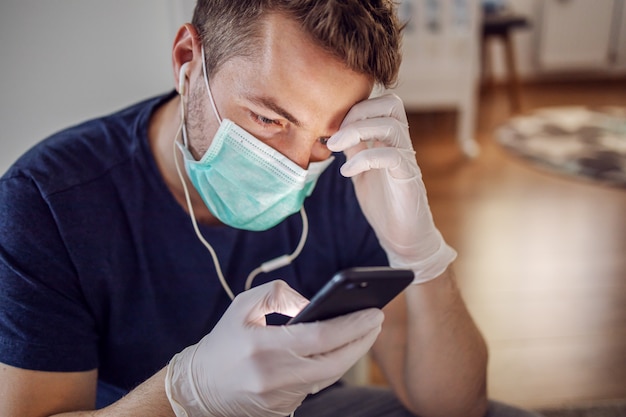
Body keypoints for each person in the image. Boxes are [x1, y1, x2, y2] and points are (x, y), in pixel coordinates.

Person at [0, 1, 543, 416]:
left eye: (325, 136)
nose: (297, 165)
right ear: (188, 62)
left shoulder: (351, 176)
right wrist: (188, 394)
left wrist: (423, 255)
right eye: (269, 120)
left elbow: (454, 406)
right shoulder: (46, 202)